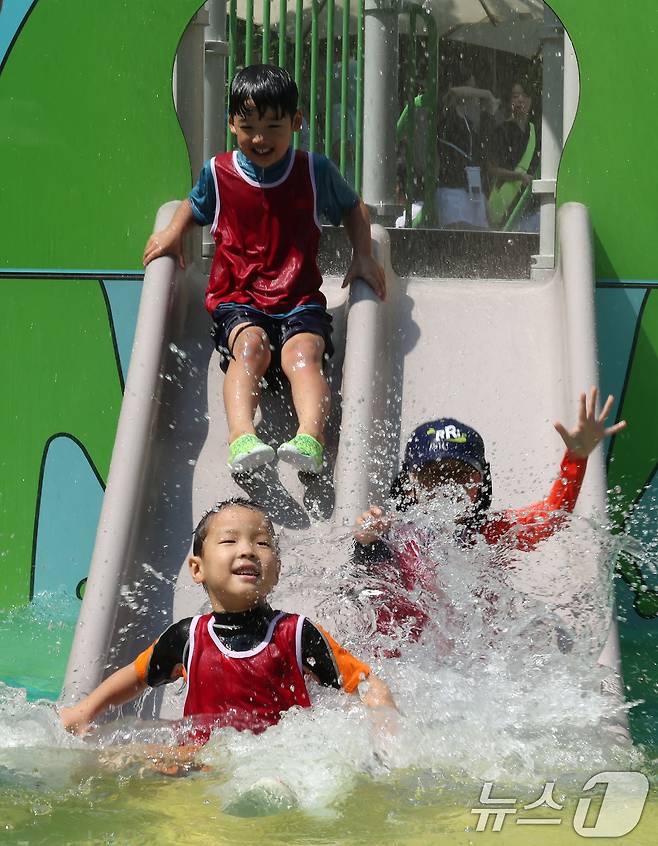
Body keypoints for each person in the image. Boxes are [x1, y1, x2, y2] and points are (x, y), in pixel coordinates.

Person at [143, 65, 386, 475]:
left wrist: (363, 254)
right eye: (248, 126)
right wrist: (173, 231)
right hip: (239, 301)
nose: (260, 138)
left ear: (296, 122)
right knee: (249, 350)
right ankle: (241, 437)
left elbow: (352, 207)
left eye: (274, 125)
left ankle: (311, 436)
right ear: (231, 124)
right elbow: (194, 206)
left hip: (298, 300)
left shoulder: (313, 171)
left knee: (305, 356)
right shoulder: (219, 174)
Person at [61, 499, 396, 754]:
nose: (248, 550)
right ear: (197, 568)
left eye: (262, 543)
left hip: (278, 760)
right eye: (229, 541)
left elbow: (366, 684)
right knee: (122, 759)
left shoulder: (298, 634)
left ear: (276, 569)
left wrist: (386, 729)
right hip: (201, 760)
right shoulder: (186, 638)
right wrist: (85, 711)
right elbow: (137, 675)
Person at [353, 389, 627, 645]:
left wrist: (576, 458)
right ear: (409, 485)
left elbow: (553, 515)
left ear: (481, 483)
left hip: (476, 652)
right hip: (409, 652)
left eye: (461, 476)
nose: (447, 485)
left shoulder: (493, 532)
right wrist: (367, 544)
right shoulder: (396, 535)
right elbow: (370, 589)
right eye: (431, 476)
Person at [435, 69, 499, 229]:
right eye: (470, 89)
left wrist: (488, 111)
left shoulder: (468, 123)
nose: (472, 95)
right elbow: (454, 93)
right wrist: (486, 94)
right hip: (451, 192)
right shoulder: (445, 113)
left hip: (471, 191)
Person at [487, 80, 539, 231]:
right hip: (506, 205)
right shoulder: (502, 131)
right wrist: (519, 177)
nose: (520, 100)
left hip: (530, 207)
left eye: (524, 95)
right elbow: (492, 169)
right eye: (516, 96)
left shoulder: (536, 132)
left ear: (531, 100)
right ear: (509, 101)